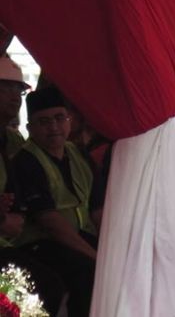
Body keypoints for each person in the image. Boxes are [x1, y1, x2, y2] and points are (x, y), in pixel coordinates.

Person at [13, 86, 104, 316]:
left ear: (69, 121)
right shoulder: (25, 160)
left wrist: (111, 246)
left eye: (59, 118)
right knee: (86, 271)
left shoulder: (78, 154)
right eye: (43, 121)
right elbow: (50, 222)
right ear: (29, 128)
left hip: (80, 235)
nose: (53, 127)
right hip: (40, 243)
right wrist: (96, 255)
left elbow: (96, 208)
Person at [0, 56, 66, 315]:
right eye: (5, 88)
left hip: (10, 244)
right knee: (38, 292)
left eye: (18, 89)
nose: (14, 96)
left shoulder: (14, 141)